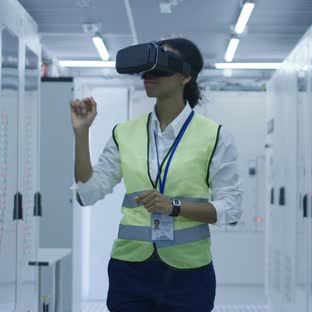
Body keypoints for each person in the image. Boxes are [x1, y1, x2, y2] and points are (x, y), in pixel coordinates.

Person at [71, 38, 242, 311]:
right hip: (129, 271)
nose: (149, 76)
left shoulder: (215, 136)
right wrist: (81, 134)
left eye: (161, 66)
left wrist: (174, 207)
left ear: (186, 76)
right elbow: (88, 193)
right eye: (147, 69)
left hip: (189, 274)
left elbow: (231, 209)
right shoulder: (124, 133)